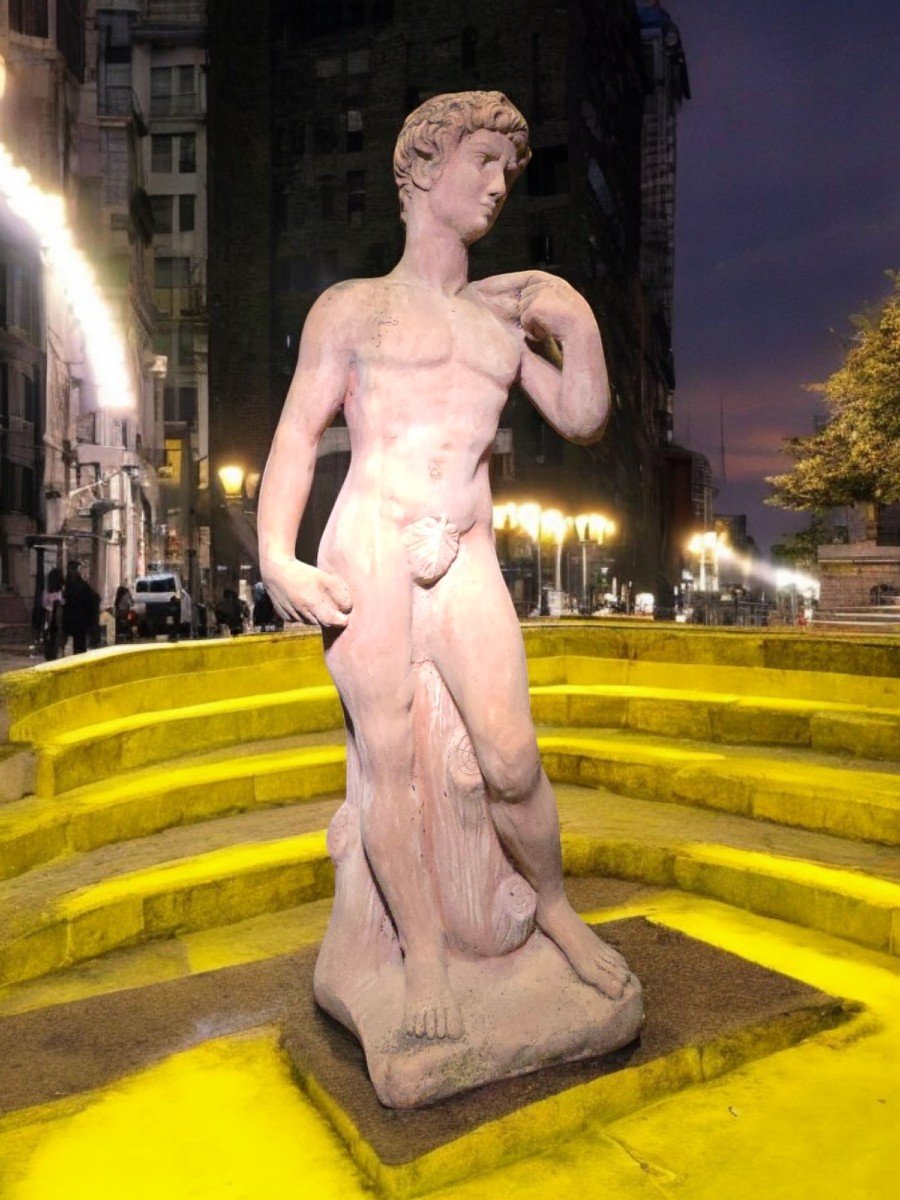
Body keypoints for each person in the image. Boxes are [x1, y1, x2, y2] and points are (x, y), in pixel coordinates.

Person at [258, 91, 630, 1042]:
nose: (502, 185)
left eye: (510, 170)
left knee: (513, 759)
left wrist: (576, 318)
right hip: (371, 546)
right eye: (485, 165)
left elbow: (585, 416)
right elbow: (298, 440)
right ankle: (420, 951)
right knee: (388, 768)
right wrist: (277, 561)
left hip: (460, 550)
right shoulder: (352, 309)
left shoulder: (500, 321)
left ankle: (550, 906)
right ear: (423, 168)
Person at [62, 561, 100, 655]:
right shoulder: (76, 583)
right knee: (79, 642)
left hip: (76, 618)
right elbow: (94, 597)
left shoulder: (72, 583)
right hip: (79, 618)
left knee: (78, 642)